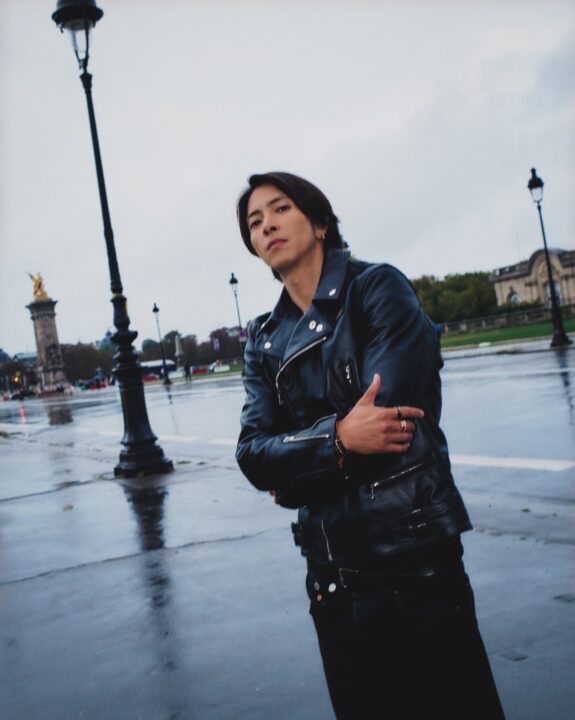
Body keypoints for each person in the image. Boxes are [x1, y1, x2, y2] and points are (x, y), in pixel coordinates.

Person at [235, 172, 505, 719]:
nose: (266, 226)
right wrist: (338, 439)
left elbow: (387, 426)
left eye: (280, 209)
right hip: (331, 579)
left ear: (320, 223)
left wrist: (297, 472)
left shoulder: (378, 288)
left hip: (414, 561)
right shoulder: (263, 339)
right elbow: (252, 456)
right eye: (254, 222)